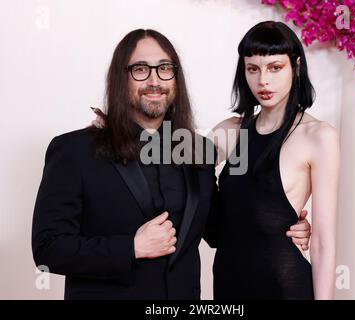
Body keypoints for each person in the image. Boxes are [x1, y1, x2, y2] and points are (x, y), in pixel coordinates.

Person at [32, 28, 312, 300]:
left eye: (165, 68)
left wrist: (281, 222)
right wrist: (131, 248)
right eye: (140, 69)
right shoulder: (75, 150)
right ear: (121, 78)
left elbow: (222, 230)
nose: (155, 80)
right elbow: (48, 248)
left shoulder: (198, 151)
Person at [206, 21, 339, 300]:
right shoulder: (229, 132)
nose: (263, 81)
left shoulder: (317, 136)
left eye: (275, 68)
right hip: (229, 286)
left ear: (296, 67)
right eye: (253, 69)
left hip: (286, 286)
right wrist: (117, 129)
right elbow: (172, 168)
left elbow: (323, 242)